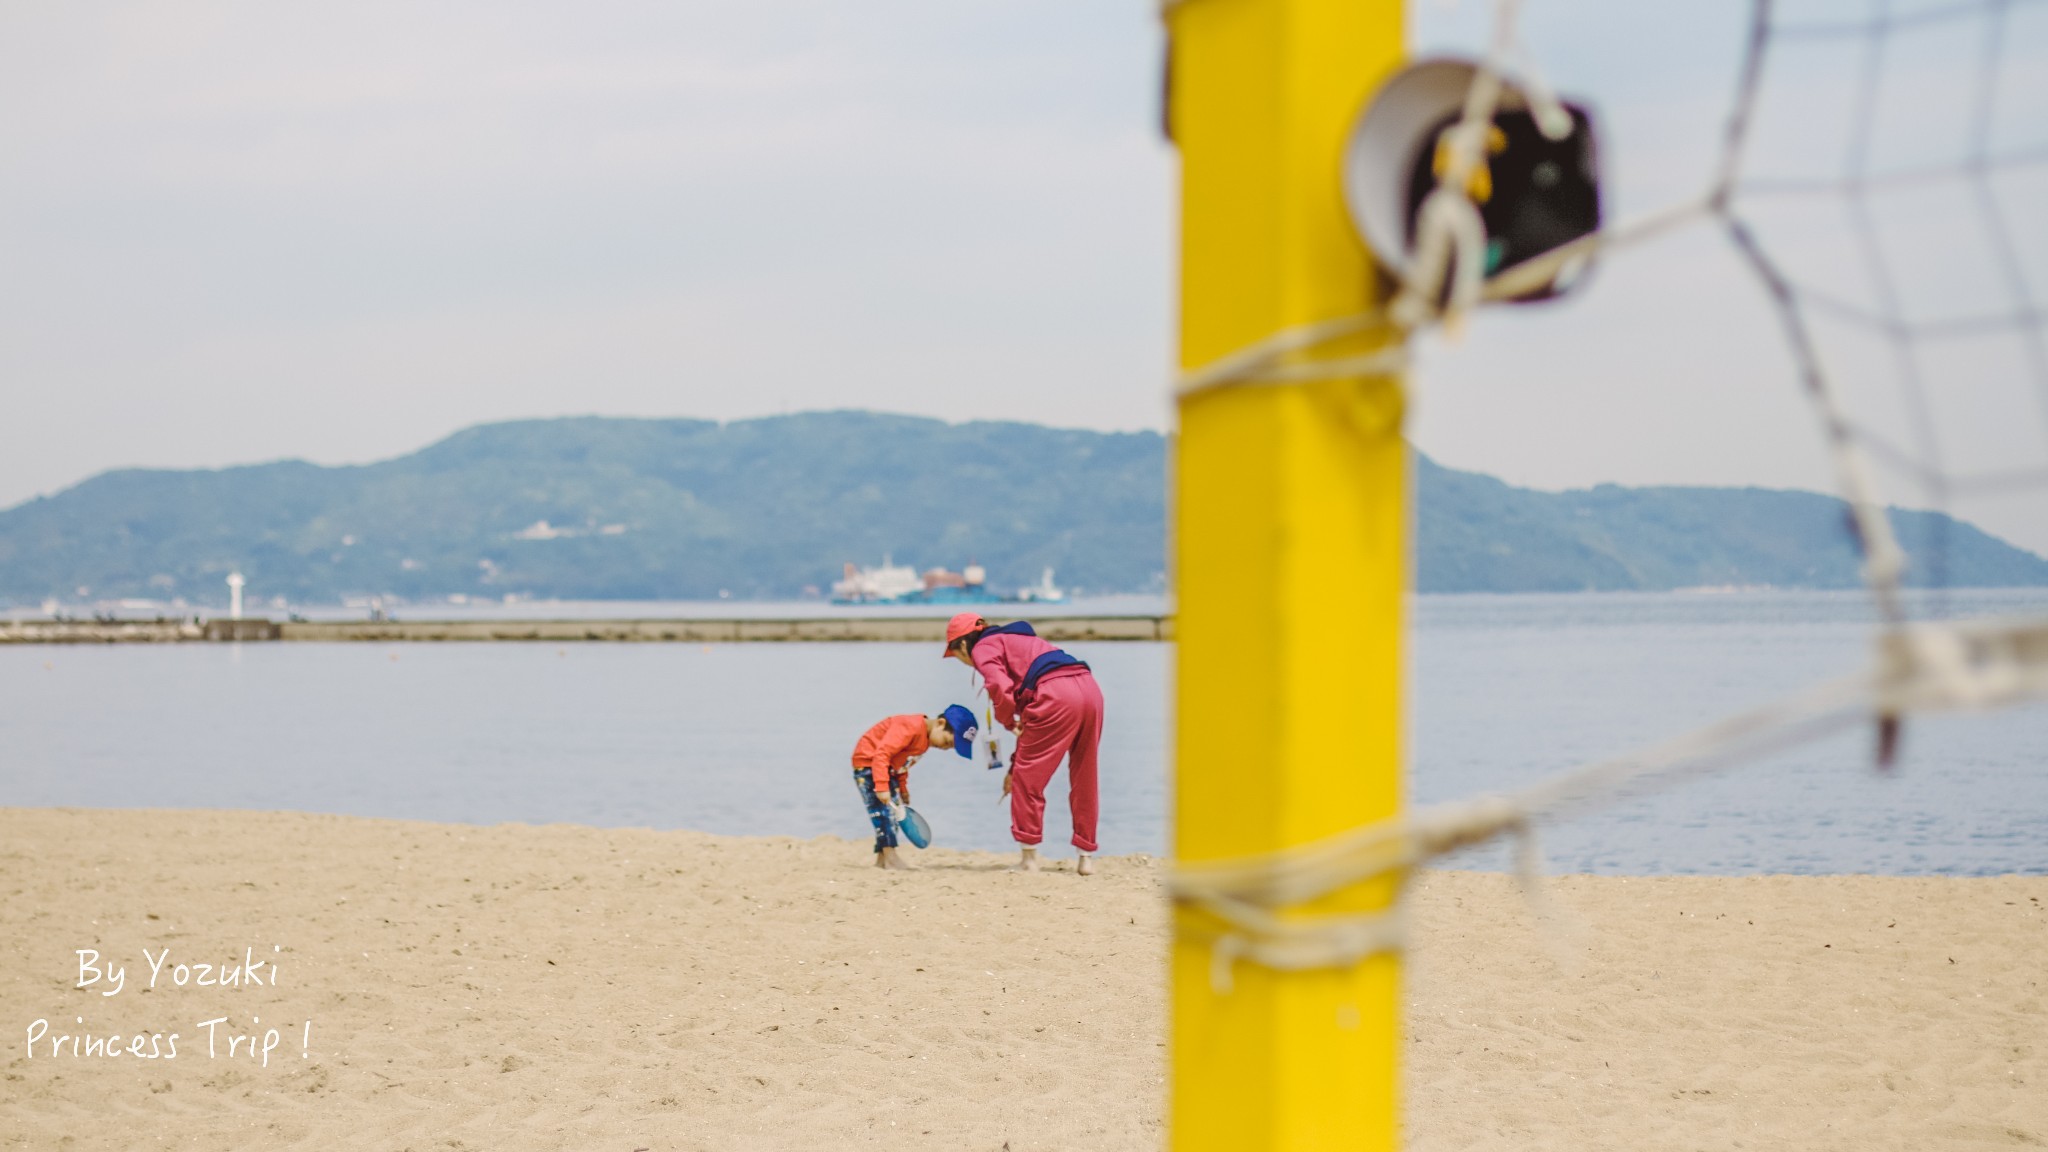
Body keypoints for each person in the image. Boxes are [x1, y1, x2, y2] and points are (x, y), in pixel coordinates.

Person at [943, 612, 1104, 875]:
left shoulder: (983, 647)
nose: (965, 663)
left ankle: (1029, 860)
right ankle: (1086, 857)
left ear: (962, 644)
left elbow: (998, 683)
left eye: (958, 655)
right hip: (1089, 688)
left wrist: (1007, 721)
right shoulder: (1018, 638)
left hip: (1054, 695)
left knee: (1027, 780)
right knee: (1085, 774)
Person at [850, 704, 977, 869]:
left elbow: (902, 763)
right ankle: (891, 857)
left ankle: (882, 860)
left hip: (888, 770)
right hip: (869, 765)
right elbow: (882, 753)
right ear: (940, 723)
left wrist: (903, 788)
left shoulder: (925, 742)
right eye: (947, 742)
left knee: (894, 815)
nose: (945, 749)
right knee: (882, 813)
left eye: (950, 748)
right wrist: (881, 786)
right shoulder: (910, 727)